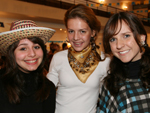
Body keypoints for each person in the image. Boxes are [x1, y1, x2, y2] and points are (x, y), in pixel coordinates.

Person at [47, 4, 110, 113]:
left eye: (82, 31)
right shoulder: (58, 57)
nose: (76, 37)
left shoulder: (104, 61)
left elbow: (107, 98)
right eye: (71, 31)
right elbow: (45, 92)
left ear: (93, 32)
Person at [98, 12, 150, 112]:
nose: (119, 45)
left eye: (126, 36)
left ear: (142, 38)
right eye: (113, 39)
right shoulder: (109, 84)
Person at [0, 20, 56, 113]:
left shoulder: (48, 87)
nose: (32, 54)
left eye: (36, 47)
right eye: (23, 48)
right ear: (11, 53)